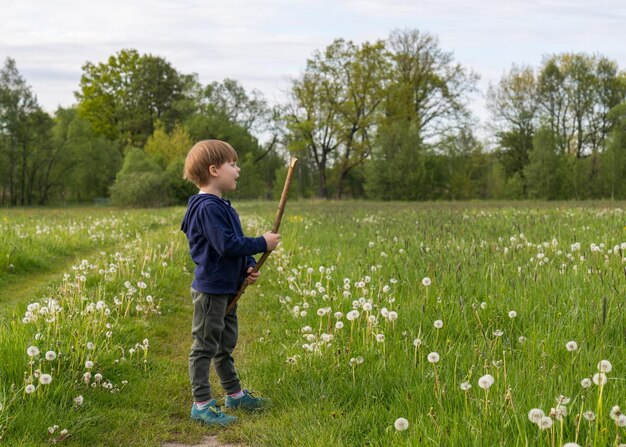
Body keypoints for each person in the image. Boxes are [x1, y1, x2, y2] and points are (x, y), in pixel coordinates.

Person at [180, 139, 281, 426]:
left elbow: (234, 245)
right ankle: (201, 404)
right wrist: (262, 242)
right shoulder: (206, 207)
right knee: (204, 346)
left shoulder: (222, 205)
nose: (238, 169)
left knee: (225, 344)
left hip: (228, 287)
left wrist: (248, 265)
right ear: (214, 170)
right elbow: (225, 245)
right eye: (232, 164)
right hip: (211, 290)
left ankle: (234, 395)